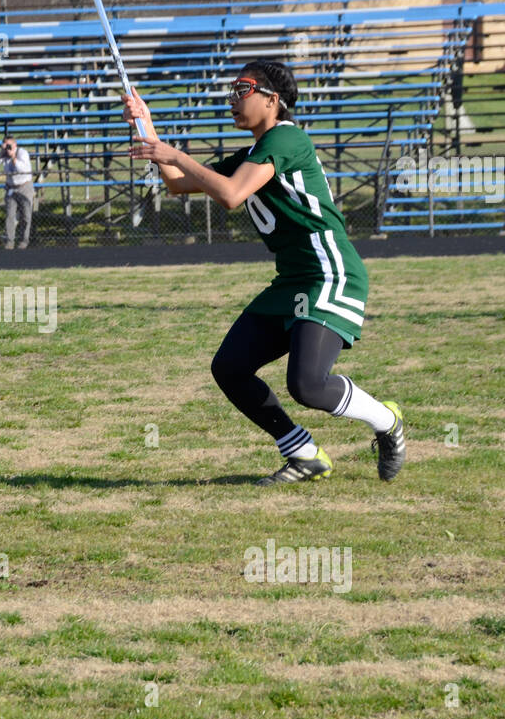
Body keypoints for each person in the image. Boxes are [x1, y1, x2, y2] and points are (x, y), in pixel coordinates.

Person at [124, 60, 405, 485]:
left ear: (273, 100)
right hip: (291, 280)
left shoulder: (287, 137)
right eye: (232, 91)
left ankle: (387, 421)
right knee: (230, 367)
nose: (233, 99)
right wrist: (146, 128)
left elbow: (231, 195)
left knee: (308, 385)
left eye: (244, 89)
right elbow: (178, 183)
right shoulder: (253, 153)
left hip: (328, 272)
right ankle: (304, 454)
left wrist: (175, 152)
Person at [0, 136, 35, 249]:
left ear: (15, 145)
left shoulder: (22, 153)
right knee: (10, 215)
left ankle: (24, 242)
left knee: (26, 215)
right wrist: (1, 153)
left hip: (24, 187)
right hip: (11, 188)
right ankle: (9, 242)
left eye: (10, 146)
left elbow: (22, 170)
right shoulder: (3, 155)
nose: (8, 148)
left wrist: (13, 157)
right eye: (6, 146)